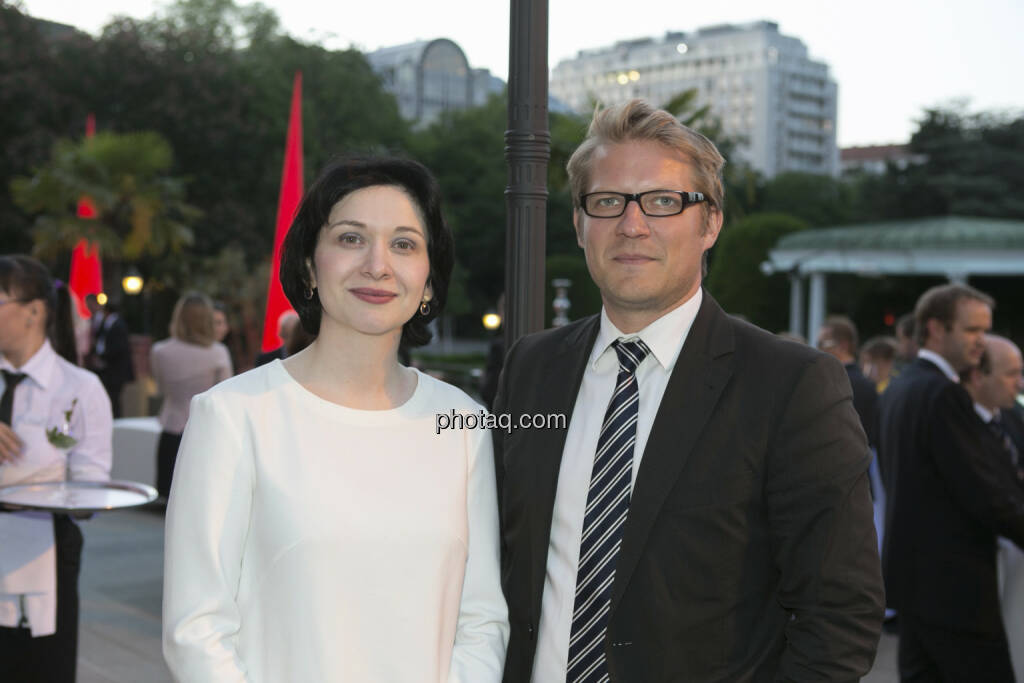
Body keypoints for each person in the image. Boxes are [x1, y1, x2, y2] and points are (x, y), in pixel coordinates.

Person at [492, 99, 884, 682]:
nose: (632, 224)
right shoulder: (531, 368)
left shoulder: (791, 386)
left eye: (664, 201)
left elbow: (838, 616)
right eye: (607, 202)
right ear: (579, 224)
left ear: (710, 223)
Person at [162, 156, 508, 681]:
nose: (377, 264)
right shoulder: (234, 417)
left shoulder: (464, 425)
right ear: (308, 266)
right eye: (351, 238)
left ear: (430, 282)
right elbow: (196, 631)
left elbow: (482, 621)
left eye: (404, 244)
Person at [878, 284, 1024, 682]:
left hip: (913, 581)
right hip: (954, 588)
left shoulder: (902, 386)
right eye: (972, 330)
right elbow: (983, 492)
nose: (981, 343)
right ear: (936, 329)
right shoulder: (943, 394)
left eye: (984, 330)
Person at [0, 255, 113, 683]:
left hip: (44, 554)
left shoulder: (79, 389)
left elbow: (91, 489)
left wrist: (30, 485)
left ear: (34, 311)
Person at [962, 335, 1024, 681]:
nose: (1020, 383)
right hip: (982, 574)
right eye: (1011, 374)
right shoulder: (961, 423)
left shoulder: (1011, 416)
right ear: (978, 376)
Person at [149, 292, 233, 500]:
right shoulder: (218, 353)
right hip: (205, 433)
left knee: (168, 502)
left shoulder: (160, 351)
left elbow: (160, 388)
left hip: (171, 429)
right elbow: (226, 395)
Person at [817, 315, 879, 449]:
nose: (818, 349)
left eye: (822, 344)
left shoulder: (830, 384)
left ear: (843, 346)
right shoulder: (868, 384)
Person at [84, 293, 135, 417]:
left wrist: (103, 357)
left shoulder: (117, 324)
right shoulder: (106, 323)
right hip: (109, 370)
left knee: (114, 398)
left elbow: (118, 348)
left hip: (116, 370)